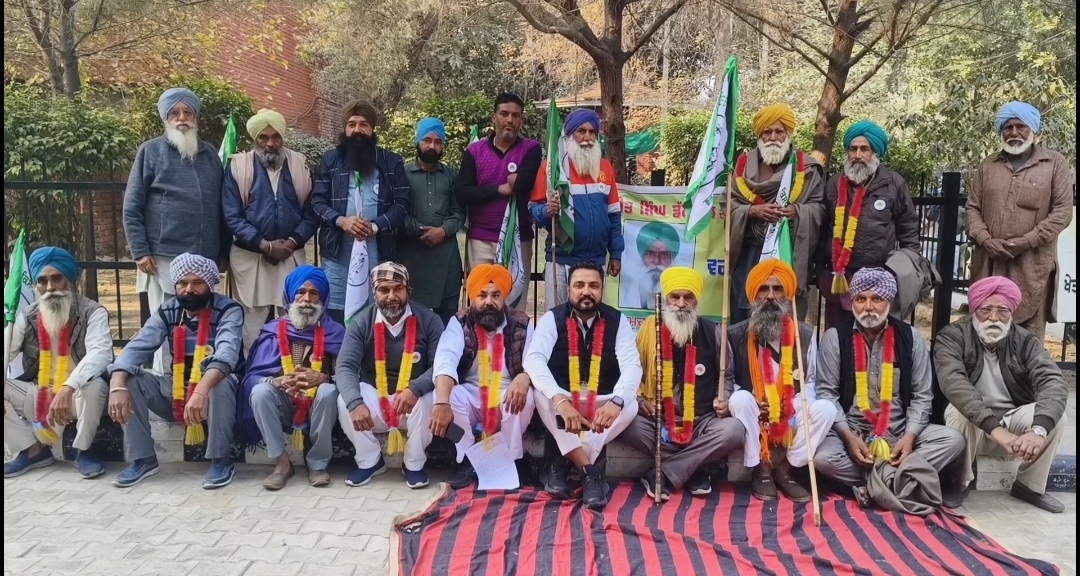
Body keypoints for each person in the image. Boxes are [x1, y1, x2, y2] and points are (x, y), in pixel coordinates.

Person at [814, 268, 966, 509]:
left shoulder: (911, 337)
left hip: (899, 432)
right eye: (861, 299)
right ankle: (895, 480)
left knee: (953, 440)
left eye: (877, 299)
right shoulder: (835, 337)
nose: (868, 307)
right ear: (853, 301)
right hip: (852, 433)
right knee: (822, 458)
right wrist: (848, 436)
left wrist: (910, 436)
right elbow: (827, 394)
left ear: (890, 301)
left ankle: (870, 483)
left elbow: (922, 395)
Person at [107, 253, 243, 489]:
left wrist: (200, 391)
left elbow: (226, 355)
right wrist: (117, 384)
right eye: (182, 283)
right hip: (178, 390)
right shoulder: (168, 311)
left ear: (210, 284)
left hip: (216, 395)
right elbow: (137, 347)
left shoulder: (229, 310)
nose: (188, 289)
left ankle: (221, 460)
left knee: (220, 383)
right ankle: (144, 459)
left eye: (197, 283)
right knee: (130, 380)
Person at [937, 276, 1068, 513]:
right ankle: (960, 482)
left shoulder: (1025, 340)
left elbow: (1053, 381)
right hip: (973, 428)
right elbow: (954, 384)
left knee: (1056, 416)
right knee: (958, 409)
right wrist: (997, 431)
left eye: (1002, 311)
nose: (994, 318)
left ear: (1012, 313)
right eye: (986, 310)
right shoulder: (952, 336)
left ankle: (1030, 486)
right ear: (974, 309)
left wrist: (1038, 430)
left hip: (1013, 427)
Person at [123, 87, 229, 371]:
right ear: (165, 118)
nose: (181, 118)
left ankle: (198, 384)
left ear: (195, 117)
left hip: (205, 257)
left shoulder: (210, 156)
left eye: (187, 112)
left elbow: (221, 208)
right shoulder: (150, 152)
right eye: (174, 113)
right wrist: (140, 250)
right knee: (166, 324)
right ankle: (163, 384)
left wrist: (223, 252)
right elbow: (132, 205)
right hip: (163, 256)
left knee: (205, 326)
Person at [524, 262, 642, 510]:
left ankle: (561, 461)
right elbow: (534, 360)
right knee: (540, 394)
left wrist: (616, 402)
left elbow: (632, 366)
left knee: (630, 403)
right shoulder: (552, 318)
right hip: (565, 399)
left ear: (602, 289)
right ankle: (591, 471)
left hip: (602, 400)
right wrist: (560, 400)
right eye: (579, 285)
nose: (586, 291)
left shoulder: (617, 321)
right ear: (569, 289)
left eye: (593, 286)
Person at [620, 267, 745, 500]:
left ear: (696, 300)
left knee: (734, 431)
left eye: (688, 297)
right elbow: (631, 371)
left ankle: (665, 473)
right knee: (626, 423)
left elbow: (726, 376)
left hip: (701, 422)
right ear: (666, 299)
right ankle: (695, 468)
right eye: (674, 297)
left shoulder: (715, 332)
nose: (680, 303)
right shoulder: (650, 329)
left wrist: (724, 399)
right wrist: (638, 399)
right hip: (656, 420)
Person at [726, 259, 837, 502]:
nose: (770, 296)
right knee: (740, 398)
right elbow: (729, 380)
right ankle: (760, 468)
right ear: (754, 295)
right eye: (764, 289)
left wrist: (787, 406)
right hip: (753, 409)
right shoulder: (735, 334)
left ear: (787, 296)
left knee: (826, 409)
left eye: (777, 290)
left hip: (791, 411)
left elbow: (811, 383)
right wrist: (758, 401)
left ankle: (786, 468)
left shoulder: (805, 335)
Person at [965, 101, 1075, 341]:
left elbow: (1063, 212)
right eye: (1008, 127)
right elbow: (972, 207)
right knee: (985, 330)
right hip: (989, 263)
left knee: (1027, 342)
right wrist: (985, 239)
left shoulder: (1054, 164)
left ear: (1033, 129)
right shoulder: (988, 165)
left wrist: (1028, 240)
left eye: (1021, 126)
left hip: (1032, 266)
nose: (1014, 133)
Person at [4, 248, 112, 479]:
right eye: (42, 281)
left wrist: (67, 387)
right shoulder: (28, 316)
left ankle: (83, 450)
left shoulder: (92, 312)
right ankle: (32, 450)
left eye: (56, 278)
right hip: (41, 395)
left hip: (80, 396)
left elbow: (100, 354)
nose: (50, 288)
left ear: (70, 280)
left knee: (94, 387)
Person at [334, 262, 444, 489]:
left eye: (398, 289)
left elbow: (441, 366)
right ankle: (370, 460)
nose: (392, 296)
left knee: (430, 398)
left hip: (412, 402)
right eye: (384, 290)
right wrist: (355, 403)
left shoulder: (429, 321)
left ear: (408, 290)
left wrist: (415, 389)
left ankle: (413, 464)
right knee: (345, 399)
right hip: (376, 400)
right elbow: (345, 366)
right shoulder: (361, 322)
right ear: (374, 293)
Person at [238, 266, 343, 490]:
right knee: (260, 391)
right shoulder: (272, 330)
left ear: (323, 298)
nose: (307, 300)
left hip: (318, 407)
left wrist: (324, 377)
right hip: (284, 403)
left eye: (314, 293)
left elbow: (348, 377)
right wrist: (274, 381)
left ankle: (317, 465)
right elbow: (251, 378)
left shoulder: (336, 333)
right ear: (290, 295)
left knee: (329, 391)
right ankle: (282, 464)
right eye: (301, 292)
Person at [431, 264, 535, 489]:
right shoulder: (459, 322)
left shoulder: (522, 323)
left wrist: (525, 377)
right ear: (472, 298)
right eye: (482, 295)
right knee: (447, 396)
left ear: (504, 297)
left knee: (524, 396)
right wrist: (441, 402)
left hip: (506, 394)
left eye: (496, 295)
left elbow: (535, 361)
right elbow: (446, 360)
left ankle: (511, 459)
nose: (489, 302)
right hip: (471, 394)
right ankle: (467, 457)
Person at [223, 108, 318, 352]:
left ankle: (290, 374)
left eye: (276, 137)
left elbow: (311, 211)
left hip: (289, 253)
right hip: (250, 256)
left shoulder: (299, 166)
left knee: (292, 317)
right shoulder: (238, 167)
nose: (270, 144)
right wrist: (264, 245)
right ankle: (250, 375)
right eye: (263, 138)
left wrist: (291, 242)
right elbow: (231, 215)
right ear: (255, 140)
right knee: (251, 323)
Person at [311, 101, 411, 324]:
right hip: (338, 254)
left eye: (364, 124)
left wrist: (375, 226)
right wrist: (341, 221)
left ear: (372, 129)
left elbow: (402, 204)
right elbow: (317, 202)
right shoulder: (330, 159)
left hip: (380, 251)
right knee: (336, 312)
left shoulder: (391, 162)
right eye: (352, 124)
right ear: (345, 129)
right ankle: (340, 359)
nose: (357, 130)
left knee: (377, 312)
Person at [728, 104, 826, 325]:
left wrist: (797, 211)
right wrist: (752, 210)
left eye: (779, 131)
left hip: (787, 253)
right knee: (746, 313)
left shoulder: (807, 168)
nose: (773, 137)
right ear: (759, 135)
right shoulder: (743, 167)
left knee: (784, 316)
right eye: (767, 132)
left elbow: (820, 208)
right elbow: (728, 207)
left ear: (788, 134)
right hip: (749, 254)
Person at [816, 120, 919, 329]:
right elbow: (822, 229)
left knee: (876, 337)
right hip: (841, 279)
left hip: (879, 277)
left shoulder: (893, 183)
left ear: (875, 153)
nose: (857, 155)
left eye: (864, 149)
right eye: (853, 149)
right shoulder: (834, 184)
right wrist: (820, 272)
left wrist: (905, 269)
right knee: (840, 337)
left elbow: (908, 229)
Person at [529, 108, 623, 309]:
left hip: (596, 261)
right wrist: (546, 211)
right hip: (561, 260)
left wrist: (615, 254)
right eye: (581, 131)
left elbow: (614, 217)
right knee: (559, 321)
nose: (587, 137)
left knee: (592, 321)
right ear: (569, 134)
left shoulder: (605, 168)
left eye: (592, 132)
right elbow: (533, 211)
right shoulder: (551, 168)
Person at [456, 93, 542, 309]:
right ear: (494, 117)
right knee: (480, 300)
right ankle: (479, 343)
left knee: (514, 302)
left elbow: (525, 182)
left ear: (521, 120)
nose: (509, 120)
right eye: (504, 114)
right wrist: (499, 189)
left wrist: (517, 182)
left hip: (518, 239)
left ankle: (514, 343)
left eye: (516, 115)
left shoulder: (531, 148)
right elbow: (463, 192)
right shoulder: (474, 152)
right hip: (481, 239)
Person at [399, 117, 465, 324]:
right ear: (417, 142)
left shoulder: (452, 175)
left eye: (438, 142)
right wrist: (418, 228)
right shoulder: (402, 174)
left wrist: (442, 231)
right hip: (411, 256)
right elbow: (397, 211)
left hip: (445, 258)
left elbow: (459, 212)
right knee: (411, 320)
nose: (432, 146)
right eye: (426, 140)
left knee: (447, 319)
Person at [623, 222, 681, 309]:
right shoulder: (625, 293)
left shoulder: (682, 296)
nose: (656, 261)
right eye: (650, 253)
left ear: (672, 260)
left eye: (664, 255)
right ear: (642, 257)